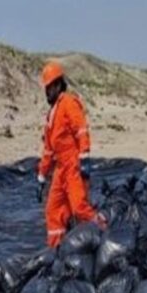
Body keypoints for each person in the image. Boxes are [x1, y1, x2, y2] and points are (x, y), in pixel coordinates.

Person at [37, 61, 104, 248]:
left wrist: (84, 158)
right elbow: (48, 150)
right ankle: (56, 249)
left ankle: (105, 233)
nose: (47, 92)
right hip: (60, 169)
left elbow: (81, 130)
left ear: (59, 85)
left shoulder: (68, 103)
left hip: (73, 165)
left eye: (50, 87)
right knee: (53, 210)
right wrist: (41, 176)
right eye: (46, 88)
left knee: (80, 208)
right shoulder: (52, 115)